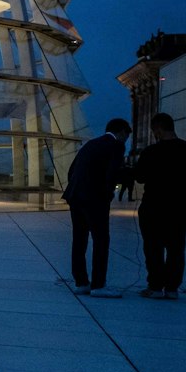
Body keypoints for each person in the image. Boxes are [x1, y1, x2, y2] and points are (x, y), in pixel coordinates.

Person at [130, 113, 186, 299]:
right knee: (176, 249)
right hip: (179, 208)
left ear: (158, 130)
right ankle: (172, 288)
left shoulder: (151, 152)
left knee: (153, 248)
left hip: (153, 207)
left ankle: (155, 286)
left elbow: (139, 177)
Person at [63, 118, 130, 297]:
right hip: (95, 199)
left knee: (79, 239)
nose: (126, 140)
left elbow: (71, 170)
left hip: (76, 196)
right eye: (126, 136)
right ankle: (98, 285)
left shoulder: (90, 144)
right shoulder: (116, 146)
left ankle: (81, 282)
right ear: (122, 132)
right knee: (101, 240)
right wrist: (108, 194)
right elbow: (112, 173)